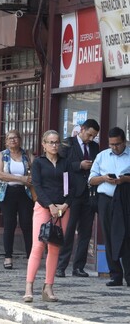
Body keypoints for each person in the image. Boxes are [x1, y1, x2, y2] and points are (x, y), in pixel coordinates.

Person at [24, 130, 71, 303]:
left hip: (62, 209)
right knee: (38, 246)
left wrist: (65, 204)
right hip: (44, 207)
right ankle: (29, 286)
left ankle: (48, 287)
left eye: (56, 142)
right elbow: (37, 186)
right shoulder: (38, 163)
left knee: (54, 247)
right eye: (50, 142)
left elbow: (70, 186)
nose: (54, 145)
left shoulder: (65, 163)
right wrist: (49, 205)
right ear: (43, 144)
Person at [55, 119, 100, 278]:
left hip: (89, 194)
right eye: (89, 135)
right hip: (72, 193)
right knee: (68, 231)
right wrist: (78, 165)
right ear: (82, 129)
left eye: (94, 136)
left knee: (85, 232)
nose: (90, 139)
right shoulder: (68, 143)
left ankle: (78, 267)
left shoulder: (95, 147)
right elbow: (60, 165)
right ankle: (61, 266)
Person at [89, 127, 130, 287]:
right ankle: (115, 274)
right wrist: (104, 178)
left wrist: (125, 180)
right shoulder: (102, 156)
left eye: (118, 144)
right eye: (111, 144)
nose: (114, 147)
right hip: (106, 199)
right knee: (108, 235)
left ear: (124, 141)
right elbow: (91, 179)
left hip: (125, 199)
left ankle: (129, 274)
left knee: (126, 236)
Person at [0, 130, 34, 269]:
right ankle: (8, 257)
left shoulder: (27, 155)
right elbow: (0, 174)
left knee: (27, 224)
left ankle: (31, 257)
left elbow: (33, 172)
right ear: (6, 141)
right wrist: (20, 178)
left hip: (25, 193)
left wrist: (26, 179)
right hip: (8, 192)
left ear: (20, 140)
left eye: (16, 138)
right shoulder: (2, 155)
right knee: (9, 224)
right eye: (10, 138)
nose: (13, 140)